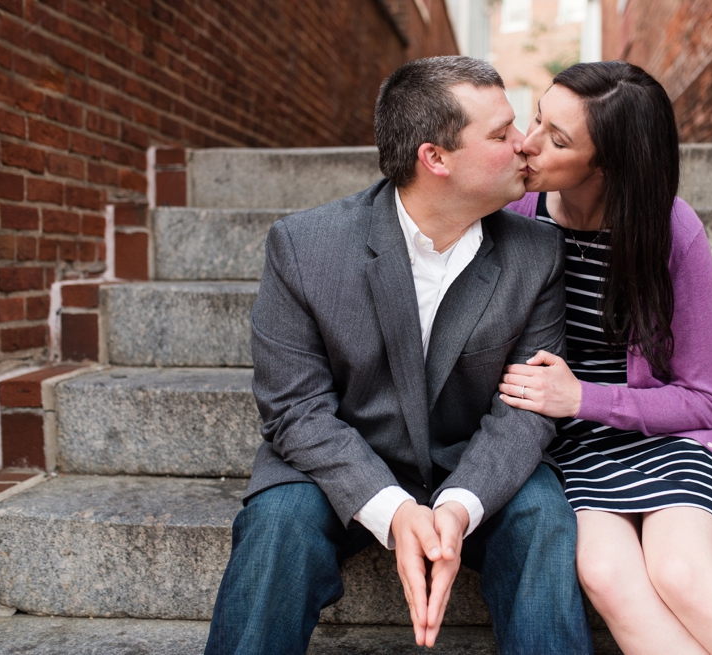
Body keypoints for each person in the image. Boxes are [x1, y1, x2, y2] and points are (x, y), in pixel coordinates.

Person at [204, 56, 594, 655]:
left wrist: (460, 507)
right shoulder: (304, 247)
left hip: (477, 465)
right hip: (340, 464)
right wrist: (390, 510)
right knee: (276, 526)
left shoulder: (537, 251)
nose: (526, 145)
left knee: (545, 519)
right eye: (501, 133)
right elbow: (294, 410)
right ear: (435, 158)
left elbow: (528, 408)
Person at [500, 61, 712, 655]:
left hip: (670, 439)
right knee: (607, 575)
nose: (529, 142)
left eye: (558, 139)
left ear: (611, 164)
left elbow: (703, 400)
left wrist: (583, 398)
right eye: (536, 117)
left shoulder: (672, 231)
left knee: (682, 572)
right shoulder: (517, 220)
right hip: (575, 450)